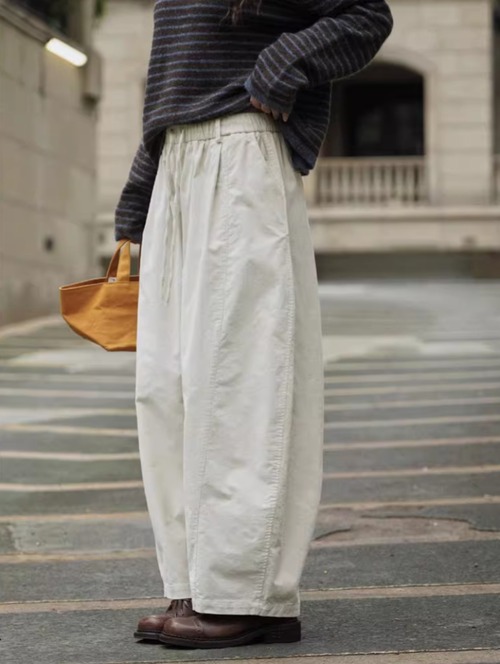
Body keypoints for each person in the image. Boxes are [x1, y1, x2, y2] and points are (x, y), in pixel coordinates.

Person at [115, 0, 393, 650]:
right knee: (165, 390)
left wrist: (282, 62)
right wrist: (141, 188)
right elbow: (173, 75)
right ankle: (193, 583)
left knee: (237, 383)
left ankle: (246, 592)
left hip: (239, 150)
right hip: (178, 164)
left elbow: (364, 14)